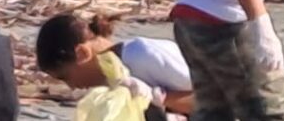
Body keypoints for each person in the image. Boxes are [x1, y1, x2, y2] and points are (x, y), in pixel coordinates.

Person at [37, 12, 196, 116]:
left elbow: (215, 99)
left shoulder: (142, 55)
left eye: (66, 77)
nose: (72, 87)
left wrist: (159, 97)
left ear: (82, 54)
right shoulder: (112, 80)